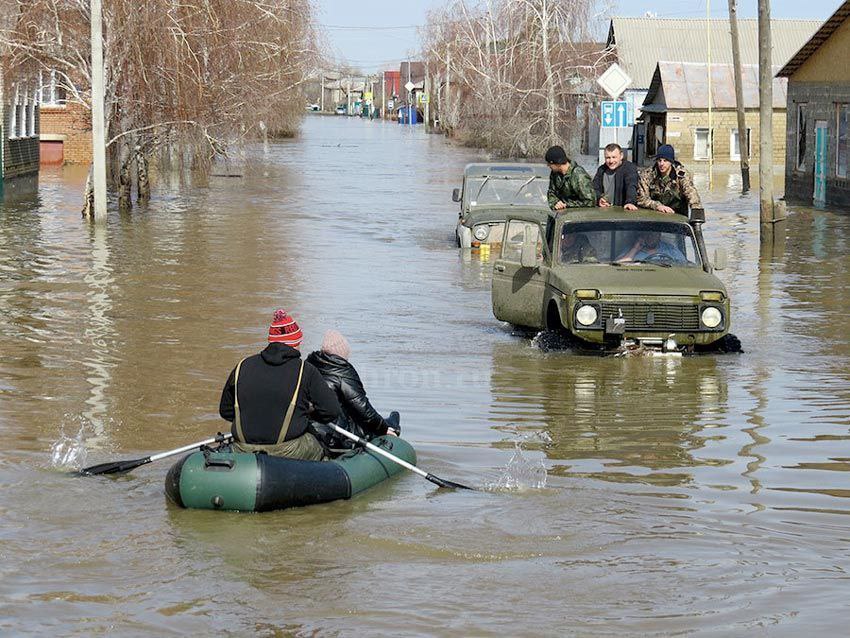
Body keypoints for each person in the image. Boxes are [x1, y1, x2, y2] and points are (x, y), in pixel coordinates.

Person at [218, 309, 340, 460]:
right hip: (288, 450)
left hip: (242, 448)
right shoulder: (305, 370)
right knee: (318, 443)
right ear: (294, 343)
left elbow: (225, 411)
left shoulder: (242, 366)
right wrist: (305, 413)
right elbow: (332, 411)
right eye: (299, 342)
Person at [306, 330, 399, 449]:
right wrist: (383, 429)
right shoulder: (343, 372)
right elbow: (362, 406)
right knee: (388, 424)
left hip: (315, 427)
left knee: (382, 420)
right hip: (336, 433)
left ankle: (388, 423)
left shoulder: (310, 365)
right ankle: (392, 427)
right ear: (342, 352)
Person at [636, 144, 702, 216]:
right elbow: (641, 199)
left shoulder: (681, 175)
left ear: (671, 161)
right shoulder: (647, 175)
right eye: (659, 160)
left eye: (665, 161)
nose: (661, 164)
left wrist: (696, 213)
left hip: (678, 216)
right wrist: (657, 206)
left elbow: (691, 193)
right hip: (654, 215)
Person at [545, 145, 596, 210]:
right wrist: (555, 203)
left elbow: (590, 201)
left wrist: (566, 204)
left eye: (550, 163)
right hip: (560, 215)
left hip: (578, 215)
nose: (548, 165)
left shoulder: (578, 175)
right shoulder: (555, 174)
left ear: (557, 163)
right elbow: (551, 192)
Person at [591, 143, 639, 210]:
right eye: (608, 158)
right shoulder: (601, 170)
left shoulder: (629, 168)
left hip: (622, 210)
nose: (611, 161)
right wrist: (599, 199)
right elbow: (595, 188)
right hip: (604, 210)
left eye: (614, 157)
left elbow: (631, 186)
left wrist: (630, 202)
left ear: (621, 156)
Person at [617, 231, 687, 264]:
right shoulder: (631, 250)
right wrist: (635, 249)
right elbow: (619, 266)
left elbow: (685, 266)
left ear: (659, 235)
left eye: (654, 234)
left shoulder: (670, 249)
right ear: (642, 235)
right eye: (648, 234)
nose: (651, 236)